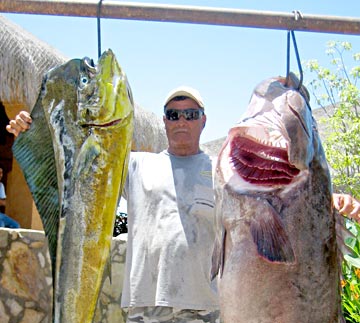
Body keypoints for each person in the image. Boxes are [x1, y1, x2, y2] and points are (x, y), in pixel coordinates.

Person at [6, 86, 360, 323]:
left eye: (191, 114)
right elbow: (76, 179)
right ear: (164, 121)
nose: (182, 121)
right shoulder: (135, 165)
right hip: (146, 307)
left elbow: (277, 202)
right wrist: (33, 135)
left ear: (204, 121)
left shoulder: (225, 174)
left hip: (204, 310)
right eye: (173, 114)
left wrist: (327, 202)